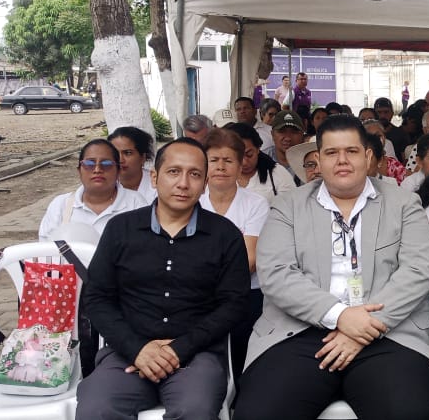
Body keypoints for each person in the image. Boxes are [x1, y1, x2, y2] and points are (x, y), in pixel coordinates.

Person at [233, 115, 429, 420]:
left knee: (407, 412)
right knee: (260, 413)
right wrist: (341, 316)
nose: (342, 160)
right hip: (299, 330)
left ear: (368, 156)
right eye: (331, 152)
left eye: (351, 151)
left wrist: (363, 327)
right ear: (318, 159)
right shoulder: (287, 205)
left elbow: (418, 271)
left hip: (389, 330)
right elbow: (276, 272)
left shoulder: (404, 204)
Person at [76, 138, 250, 419]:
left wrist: (179, 349)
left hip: (196, 355)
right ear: (155, 178)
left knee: (194, 409)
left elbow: (234, 304)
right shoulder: (121, 229)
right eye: (173, 172)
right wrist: (137, 349)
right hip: (127, 352)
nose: (183, 183)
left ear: (204, 184)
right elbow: (97, 298)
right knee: (98, 407)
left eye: (195, 174)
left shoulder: (224, 235)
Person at [199, 128, 270, 377]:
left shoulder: (256, 204)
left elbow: (249, 259)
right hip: (196, 294)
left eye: (228, 160)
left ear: (240, 166)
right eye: (214, 160)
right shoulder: (192, 202)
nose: (221, 167)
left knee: (242, 358)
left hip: (245, 293)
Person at [39, 139, 148, 242]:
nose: (97, 170)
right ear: (79, 170)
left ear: (118, 171)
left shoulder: (135, 203)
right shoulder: (61, 205)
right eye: (89, 164)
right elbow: (45, 248)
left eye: (106, 164)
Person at [226, 122, 297, 204]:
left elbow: (292, 206)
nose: (244, 162)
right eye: (238, 156)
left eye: (249, 155)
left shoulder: (277, 174)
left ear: (258, 149)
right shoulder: (220, 175)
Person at [108, 126, 157, 202]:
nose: (120, 160)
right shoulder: (103, 186)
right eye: (115, 153)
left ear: (143, 157)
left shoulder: (159, 186)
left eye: (127, 153)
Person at [261, 109, 307, 180]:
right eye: (282, 131)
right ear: (272, 134)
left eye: (294, 132)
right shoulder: (261, 160)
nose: (288, 138)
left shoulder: (310, 161)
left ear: (302, 135)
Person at [364, 119, 407, 185]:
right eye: (370, 137)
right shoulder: (355, 162)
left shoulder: (393, 165)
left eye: (379, 135)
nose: (376, 140)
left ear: (384, 137)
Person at [375, 97, 410, 163]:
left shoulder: (401, 134)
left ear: (392, 113)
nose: (382, 115)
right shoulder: (369, 134)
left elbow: (405, 161)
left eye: (386, 112)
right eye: (379, 112)